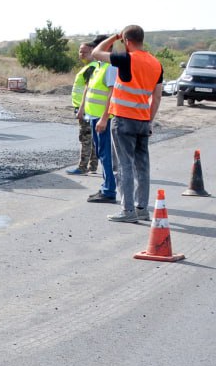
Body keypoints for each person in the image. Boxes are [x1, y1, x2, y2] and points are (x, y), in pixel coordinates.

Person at [92, 26, 163, 223]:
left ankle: (127, 210)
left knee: (123, 166)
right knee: (142, 167)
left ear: (126, 40)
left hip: (123, 120)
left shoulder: (126, 58)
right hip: (142, 121)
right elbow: (157, 97)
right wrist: (149, 120)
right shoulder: (156, 64)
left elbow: (96, 53)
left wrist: (113, 38)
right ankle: (142, 208)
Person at [80, 35, 118, 207]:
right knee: (102, 154)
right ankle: (105, 188)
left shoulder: (110, 67)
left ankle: (109, 190)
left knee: (105, 154)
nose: (94, 51)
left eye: (98, 47)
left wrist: (104, 118)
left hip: (104, 119)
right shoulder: (99, 67)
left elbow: (112, 94)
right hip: (95, 118)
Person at [66, 41, 99, 175]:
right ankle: (92, 165)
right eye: (80, 51)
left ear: (92, 51)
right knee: (91, 138)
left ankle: (82, 167)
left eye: (84, 51)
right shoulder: (92, 66)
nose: (81, 54)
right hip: (87, 107)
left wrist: (81, 108)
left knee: (85, 138)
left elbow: (88, 89)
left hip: (85, 108)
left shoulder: (91, 67)